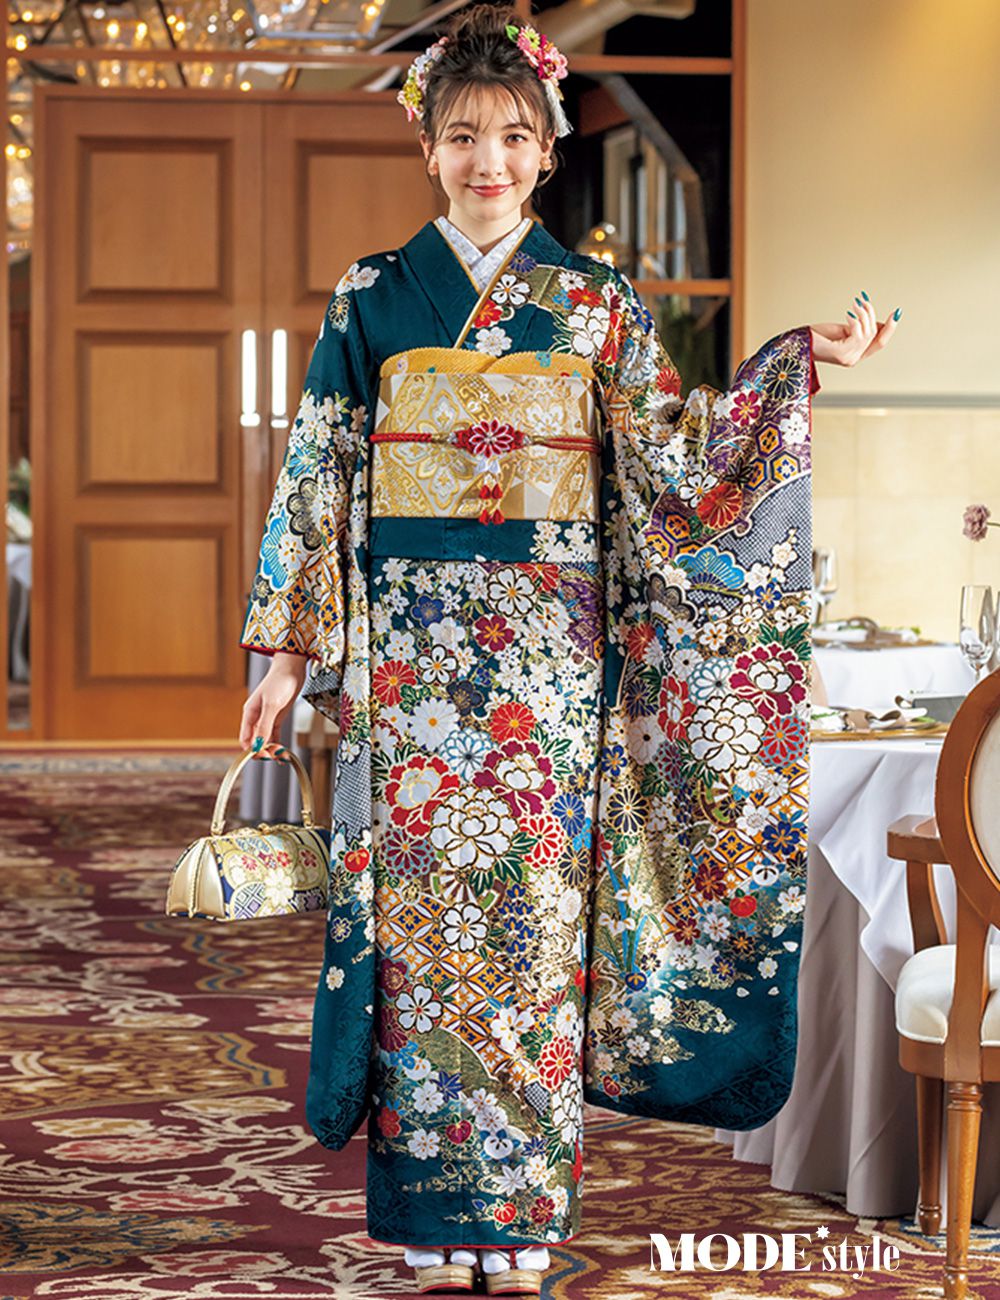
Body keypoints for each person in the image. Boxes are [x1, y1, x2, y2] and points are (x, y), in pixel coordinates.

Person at [238, 5, 899, 1293]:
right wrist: (285, 654)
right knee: (427, 936)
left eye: (512, 136)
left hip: (548, 666)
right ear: (428, 148)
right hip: (414, 667)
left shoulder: (597, 304)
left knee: (535, 934)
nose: (487, 160)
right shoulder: (371, 296)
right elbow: (318, 470)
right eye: (462, 135)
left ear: (547, 153)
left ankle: (523, 1210)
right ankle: (434, 1218)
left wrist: (793, 369)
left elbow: (675, 455)